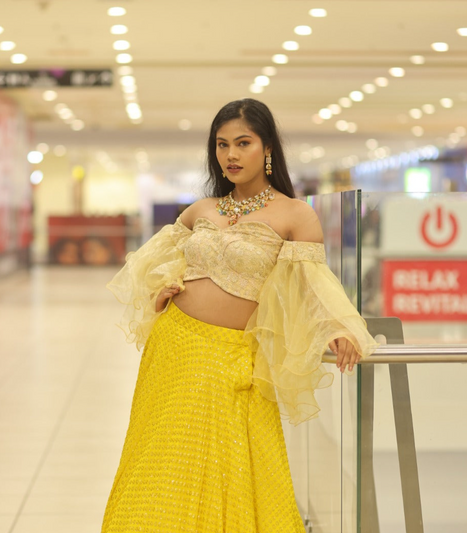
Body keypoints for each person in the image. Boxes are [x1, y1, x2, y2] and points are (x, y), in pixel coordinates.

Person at [101, 98, 378, 533]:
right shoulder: (201, 210)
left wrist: (336, 327)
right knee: (159, 460)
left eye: (243, 143)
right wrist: (162, 290)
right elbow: (155, 266)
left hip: (233, 359)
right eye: (222, 144)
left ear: (267, 148)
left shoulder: (294, 215)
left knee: (229, 468)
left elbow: (311, 284)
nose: (230, 155)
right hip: (174, 348)